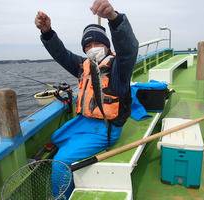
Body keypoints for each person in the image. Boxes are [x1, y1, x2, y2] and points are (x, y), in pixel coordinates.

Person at [35, 0, 138, 198]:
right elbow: (62, 54)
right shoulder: (85, 65)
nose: (92, 48)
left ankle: (62, 196)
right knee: (56, 139)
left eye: (98, 43)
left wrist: (114, 19)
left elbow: (129, 49)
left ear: (107, 46)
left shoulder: (120, 67)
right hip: (85, 121)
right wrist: (47, 32)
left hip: (106, 128)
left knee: (60, 161)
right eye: (88, 45)